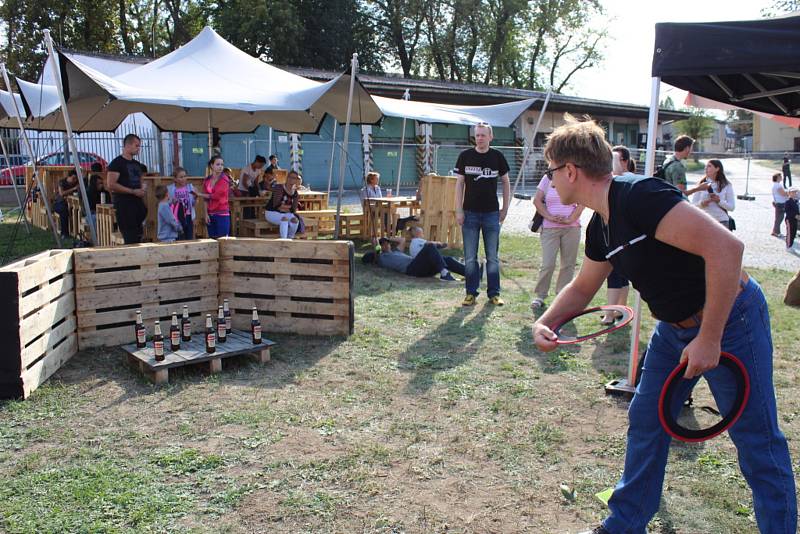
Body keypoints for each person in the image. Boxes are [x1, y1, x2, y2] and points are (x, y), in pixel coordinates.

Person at [531, 115, 796, 534]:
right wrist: (547, 323)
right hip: (674, 330)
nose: (549, 182)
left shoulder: (639, 196)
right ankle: (623, 525)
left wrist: (709, 337)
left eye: (550, 171)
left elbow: (728, 249)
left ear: (570, 171)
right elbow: (583, 288)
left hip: (731, 320)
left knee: (756, 439)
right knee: (648, 418)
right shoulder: (599, 226)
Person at [454, 121, 511, 306]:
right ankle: (471, 293)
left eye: (483, 135)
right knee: (470, 257)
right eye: (477, 135)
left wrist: (505, 208)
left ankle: (494, 293)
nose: (479, 138)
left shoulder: (497, 157)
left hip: (491, 214)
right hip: (469, 213)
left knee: (492, 257)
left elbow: (506, 182)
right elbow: (459, 184)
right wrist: (459, 210)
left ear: (490, 137)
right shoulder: (465, 156)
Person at [530, 170, 584, 310]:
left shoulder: (575, 177)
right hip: (549, 228)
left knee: (568, 264)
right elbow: (537, 200)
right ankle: (540, 295)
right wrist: (549, 216)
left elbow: (582, 202)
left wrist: (571, 219)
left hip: (571, 228)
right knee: (548, 263)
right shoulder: (547, 178)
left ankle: (562, 297)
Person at [600, 146, 636, 324]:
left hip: (620, 238)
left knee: (615, 275)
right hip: (623, 238)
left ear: (624, 162)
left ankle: (610, 314)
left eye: (614, 159)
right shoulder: (629, 180)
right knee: (621, 276)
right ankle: (620, 312)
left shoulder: (624, 180)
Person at [106, 134, 148, 244]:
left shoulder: (137, 164)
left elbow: (141, 180)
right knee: (130, 238)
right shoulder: (116, 163)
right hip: (124, 206)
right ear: (128, 145)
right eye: (136, 145)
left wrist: (143, 187)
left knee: (139, 236)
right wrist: (132, 191)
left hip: (137, 205)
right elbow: (111, 184)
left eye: (139, 146)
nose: (139, 148)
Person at [363, 236, 458, 281]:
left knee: (447, 259)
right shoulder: (381, 258)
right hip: (412, 269)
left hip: (419, 267)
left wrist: (387, 238)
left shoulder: (397, 251)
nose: (386, 244)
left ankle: (469, 273)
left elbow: (402, 239)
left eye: (387, 243)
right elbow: (376, 252)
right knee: (429, 247)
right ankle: (444, 273)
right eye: (383, 244)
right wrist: (376, 243)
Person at [692, 159, 735, 230]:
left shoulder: (727, 185)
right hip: (704, 221)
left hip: (722, 221)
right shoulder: (701, 184)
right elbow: (693, 205)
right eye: (705, 166)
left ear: (717, 169)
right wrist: (701, 204)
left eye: (709, 166)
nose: (706, 168)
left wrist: (719, 201)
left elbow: (732, 207)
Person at [195, 156, 231, 238]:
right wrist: (206, 214)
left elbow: (216, 196)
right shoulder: (207, 180)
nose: (220, 166)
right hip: (210, 214)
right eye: (218, 164)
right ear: (212, 165)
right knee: (213, 241)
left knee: (223, 240)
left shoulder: (225, 180)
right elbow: (205, 199)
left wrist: (199, 194)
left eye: (222, 164)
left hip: (222, 214)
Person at [265, 170, 302, 239]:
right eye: (290, 177)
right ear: (287, 178)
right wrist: (287, 207)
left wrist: (284, 207)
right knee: (284, 219)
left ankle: (290, 237)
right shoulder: (279, 188)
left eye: (294, 178)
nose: (292, 179)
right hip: (271, 212)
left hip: (285, 213)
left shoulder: (295, 193)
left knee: (295, 220)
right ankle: (284, 240)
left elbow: (293, 209)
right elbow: (276, 205)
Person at [167, 166, 196, 240]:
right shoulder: (170, 189)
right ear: (175, 179)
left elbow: (193, 203)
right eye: (181, 177)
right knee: (178, 237)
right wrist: (172, 201)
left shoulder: (190, 187)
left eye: (185, 176)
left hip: (188, 216)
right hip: (177, 218)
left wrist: (195, 198)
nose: (183, 179)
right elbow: (166, 203)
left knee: (189, 236)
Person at [53, 169, 79, 238]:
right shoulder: (62, 182)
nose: (75, 180)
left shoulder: (76, 183)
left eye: (76, 178)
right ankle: (64, 233)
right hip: (59, 203)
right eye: (73, 178)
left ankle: (76, 231)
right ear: (69, 177)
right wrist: (73, 189)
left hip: (71, 203)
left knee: (77, 210)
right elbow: (61, 193)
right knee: (64, 211)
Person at [85, 163, 105, 229]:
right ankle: (97, 238)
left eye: (102, 183)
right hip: (92, 213)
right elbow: (89, 208)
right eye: (99, 183)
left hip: (104, 212)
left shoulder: (105, 192)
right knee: (96, 219)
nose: (101, 185)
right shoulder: (88, 193)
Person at [772, 172, 789, 238]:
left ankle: (776, 231)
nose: (781, 178)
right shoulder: (778, 185)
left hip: (779, 202)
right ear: (777, 178)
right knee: (779, 218)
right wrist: (789, 193)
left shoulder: (776, 185)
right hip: (780, 203)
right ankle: (776, 232)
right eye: (780, 177)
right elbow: (783, 194)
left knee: (778, 218)